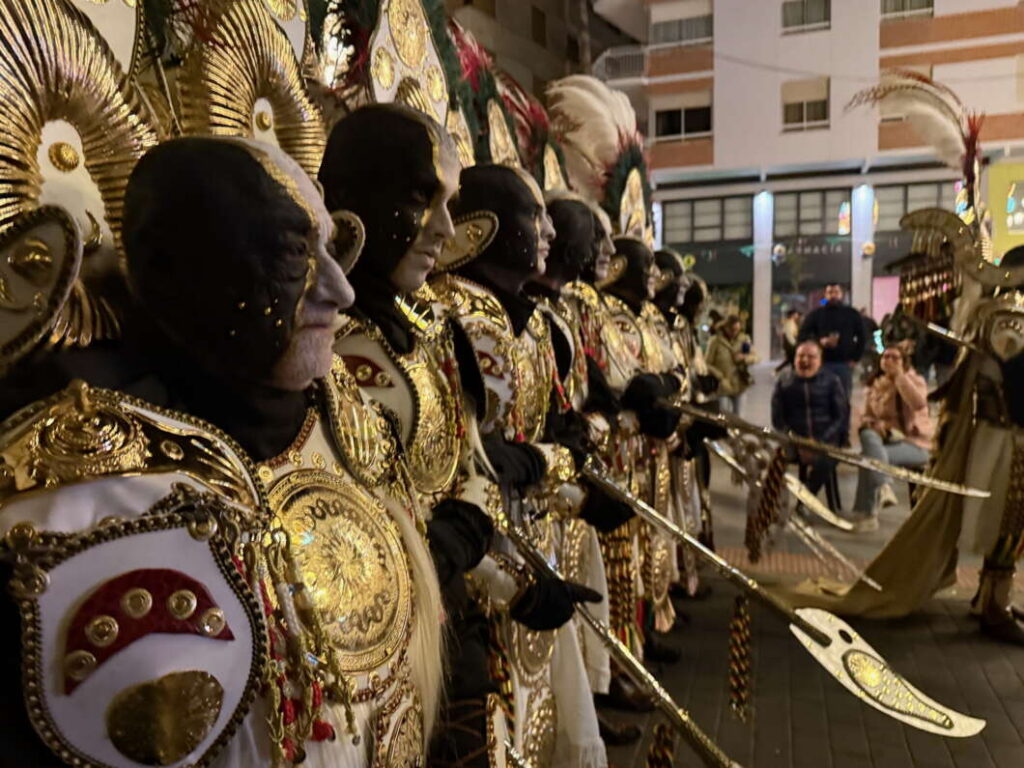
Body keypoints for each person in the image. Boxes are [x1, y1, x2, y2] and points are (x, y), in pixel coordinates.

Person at [318, 105, 503, 766]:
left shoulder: (429, 329)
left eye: (449, 203)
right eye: (423, 199)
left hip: (456, 638)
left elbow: (471, 466)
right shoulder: (313, 350)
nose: (445, 229)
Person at [849, 344, 933, 531]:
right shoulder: (876, 384)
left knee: (869, 458)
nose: (889, 361)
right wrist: (875, 424)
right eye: (886, 357)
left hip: (914, 443)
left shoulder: (915, 380)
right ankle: (883, 487)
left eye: (895, 358)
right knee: (868, 437)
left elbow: (918, 404)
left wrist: (899, 377)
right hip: (884, 441)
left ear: (904, 362)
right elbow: (865, 416)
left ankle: (868, 512)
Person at [771, 340, 848, 497]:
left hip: (825, 441)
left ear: (820, 360)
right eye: (800, 356)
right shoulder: (784, 382)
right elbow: (778, 420)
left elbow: (840, 417)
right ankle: (771, 505)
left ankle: (805, 499)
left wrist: (818, 442)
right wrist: (798, 442)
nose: (805, 360)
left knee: (826, 462)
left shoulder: (832, 381)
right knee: (774, 461)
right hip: (794, 441)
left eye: (811, 357)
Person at [798, 284, 864, 442]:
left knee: (843, 400)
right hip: (821, 365)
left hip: (843, 364)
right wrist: (819, 342)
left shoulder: (852, 314)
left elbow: (862, 337)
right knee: (821, 399)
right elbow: (802, 336)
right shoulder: (816, 315)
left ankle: (843, 435)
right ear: (825, 295)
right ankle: (824, 434)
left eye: (836, 292)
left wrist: (855, 358)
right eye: (830, 292)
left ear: (842, 294)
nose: (833, 295)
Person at [705, 314, 757, 415]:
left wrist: (745, 358)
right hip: (723, 386)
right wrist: (720, 376)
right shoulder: (715, 341)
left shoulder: (744, 340)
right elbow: (707, 363)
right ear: (726, 327)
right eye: (732, 330)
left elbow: (755, 357)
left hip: (739, 384)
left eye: (737, 330)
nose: (735, 333)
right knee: (724, 416)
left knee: (739, 417)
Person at [776, 309, 801, 373]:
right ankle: (777, 370)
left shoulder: (792, 322)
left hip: (790, 343)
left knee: (791, 359)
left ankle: (777, 370)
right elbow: (789, 335)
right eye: (796, 314)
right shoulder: (789, 323)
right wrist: (795, 344)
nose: (797, 315)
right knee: (792, 359)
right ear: (792, 315)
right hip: (789, 344)